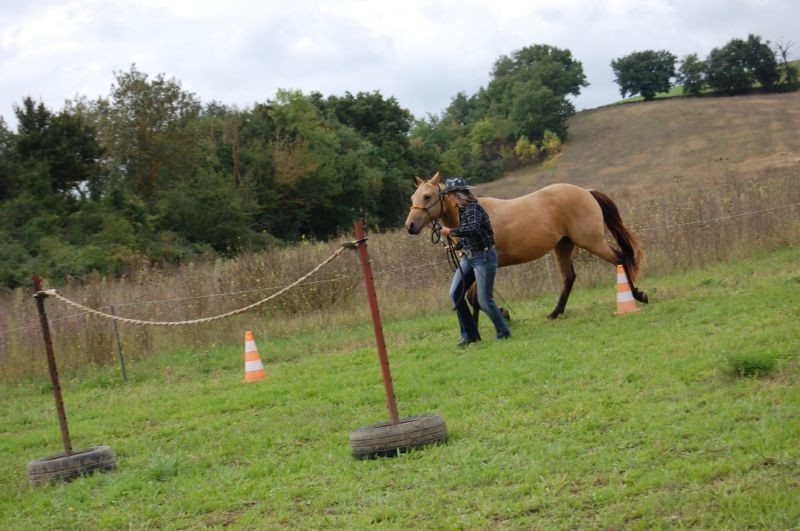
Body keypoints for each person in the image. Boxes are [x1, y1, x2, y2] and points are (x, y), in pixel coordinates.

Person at [438, 177, 511, 347]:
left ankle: (504, 332)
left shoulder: (473, 209)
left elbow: (473, 229)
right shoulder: (463, 210)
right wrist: (456, 246)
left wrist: (450, 232)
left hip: (484, 258)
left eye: (449, 195)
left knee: (484, 300)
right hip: (469, 258)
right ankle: (470, 335)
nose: (448, 198)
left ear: (458, 195)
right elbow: (470, 236)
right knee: (455, 294)